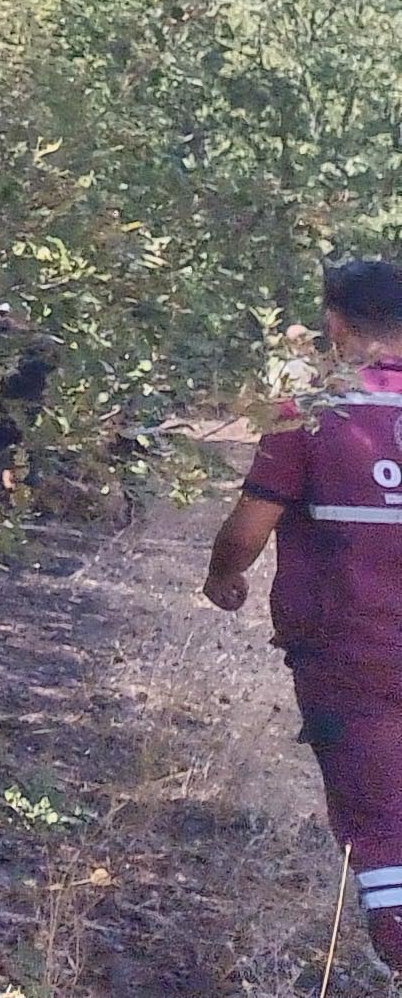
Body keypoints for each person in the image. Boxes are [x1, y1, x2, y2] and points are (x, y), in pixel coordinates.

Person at [207, 257, 402, 969]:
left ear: (336, 324)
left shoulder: (313, 408)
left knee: (380, 827)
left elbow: (249, 528)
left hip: (350, 655)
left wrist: (223, 576)